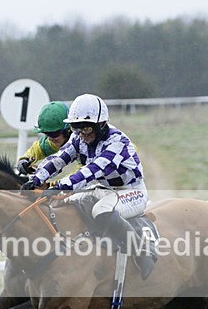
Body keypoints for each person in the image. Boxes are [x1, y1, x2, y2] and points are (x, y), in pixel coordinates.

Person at [23, 94, 155, 278]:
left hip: (131, 191)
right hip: (101, 189)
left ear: (101, 125)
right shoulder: (78, 138)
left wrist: (59, 186)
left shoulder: (117, 142)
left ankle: (143, 251)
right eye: (77, 129)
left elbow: (91, 171)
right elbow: (59, 159)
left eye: (86, 128)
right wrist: (36, 179)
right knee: (61, 205)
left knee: (101, 211)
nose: (83, 134)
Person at [16, 101, 73, 176]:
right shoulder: (55, 141)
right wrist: (25, 159)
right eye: (46, 134)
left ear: (68, 130)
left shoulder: (82, 142)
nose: (50, 139)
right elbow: (38, 149)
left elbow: (80, 175)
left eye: (53, 134)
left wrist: (53, 185)